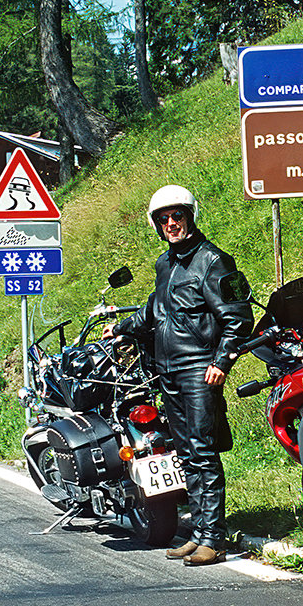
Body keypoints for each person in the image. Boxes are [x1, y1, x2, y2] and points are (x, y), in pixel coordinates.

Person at [106, 185, 253, 566]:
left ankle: (214, 539)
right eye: (164, 219)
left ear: (190, 216)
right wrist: (121, 327)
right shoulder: (164, 265)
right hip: (167, 369)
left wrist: (222, 362)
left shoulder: (213, 261)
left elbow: (239, 318)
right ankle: (199, 533)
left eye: (178, 216)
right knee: (185, 453)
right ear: (157, 225)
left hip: (199, 369)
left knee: (203, 451)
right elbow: (153, 312)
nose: (172, 224)